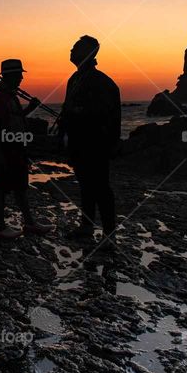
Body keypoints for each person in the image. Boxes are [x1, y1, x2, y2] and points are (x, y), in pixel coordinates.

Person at [60, 35, 121, 248]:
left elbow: (106, 114)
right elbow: (66, 112)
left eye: (76, 47)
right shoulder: (74, 80)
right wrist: (63, 137)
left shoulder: (101, 82)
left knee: (101, 188)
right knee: (85, 185)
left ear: (88, 53)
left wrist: (78, 113)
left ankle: (109, 234)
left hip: (96, 143)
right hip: (77, 143)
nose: (71, 49)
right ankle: (86, 226)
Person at [0, 59, 53, 240]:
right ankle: (1, 227)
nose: (22, 78)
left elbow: (15, 118)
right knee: (0, 189)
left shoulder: (11, 96)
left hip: (17, 150)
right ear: (10, 76)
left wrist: (30, 108)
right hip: (5, 151)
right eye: (19, 74)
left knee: (21, 188)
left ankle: (30, 223)